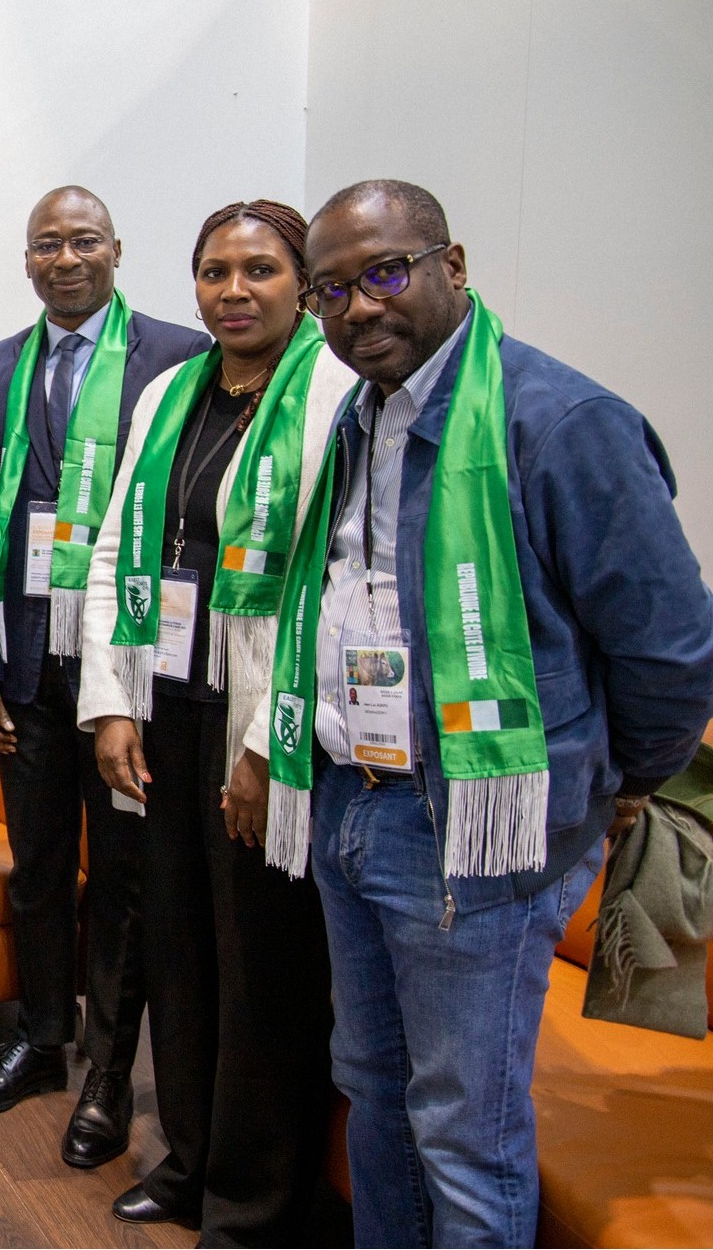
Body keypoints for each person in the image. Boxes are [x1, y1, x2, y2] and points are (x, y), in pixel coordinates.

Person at [263, 179, 713, 1246]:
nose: (356, 307)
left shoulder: (560, 424)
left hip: (473, 832)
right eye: (330, 289)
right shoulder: (356, 417)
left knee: (464, 1129)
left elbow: (668, 651)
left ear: (450, 266)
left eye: (382, 272)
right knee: (371, 1084)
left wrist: (614, 783)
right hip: (349, 805)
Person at [77, 201, 352, 1238]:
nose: (231, 290)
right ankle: (186, 1161)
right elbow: (114, 549)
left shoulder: (332, 393)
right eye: (212, 271)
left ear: (301, 281)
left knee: (262, 967)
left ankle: (253, 1195)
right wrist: (111, 704)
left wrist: (259, 750)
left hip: (264, 727)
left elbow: (330, 581)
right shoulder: (169, 392)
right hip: (168, 708)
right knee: (179, 948)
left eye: (257, 270)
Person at [0, 186, 209, 1170]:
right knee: (34, 867)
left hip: (129, 675)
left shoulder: (175, 354)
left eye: (82, 241)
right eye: (45, 244)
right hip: (23, 664)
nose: (64, 258)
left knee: (122, 879)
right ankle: (37, 1038)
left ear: (115, 250)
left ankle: (105, 1068)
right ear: (25, 260)